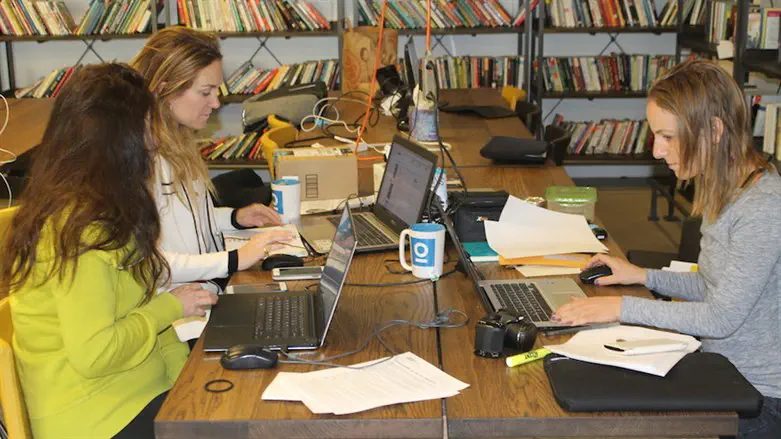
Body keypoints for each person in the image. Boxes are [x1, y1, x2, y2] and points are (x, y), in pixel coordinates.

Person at [553, 59, 781, 439]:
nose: (657, 151)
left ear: (713, 131)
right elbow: (713, 286)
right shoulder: (727, 187)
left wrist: (621, 306)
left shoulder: (763, 207)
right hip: (722, 372)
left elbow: (721, 318)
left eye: (668, 137)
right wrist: (642, 276)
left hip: (758, 401)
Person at [2, 64, 219, 439]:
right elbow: (96, 353)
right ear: (122, 140)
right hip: (95, 418)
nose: (156, 138)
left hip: (133, 393)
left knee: (226, 402)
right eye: (148, 125)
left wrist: (185, 384)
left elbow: (145, 310)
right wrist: (171, 307)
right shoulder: (78, 229)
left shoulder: (107, 206)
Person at [131, 27, 292, 289]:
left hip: (203, 287)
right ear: (165, 90)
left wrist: (234, 218)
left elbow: (184, 221)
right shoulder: (140, 158)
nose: (216, 103)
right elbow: (147, 264)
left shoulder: (177, 138)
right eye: (206, 92)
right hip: (177, 306)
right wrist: (233, 260)